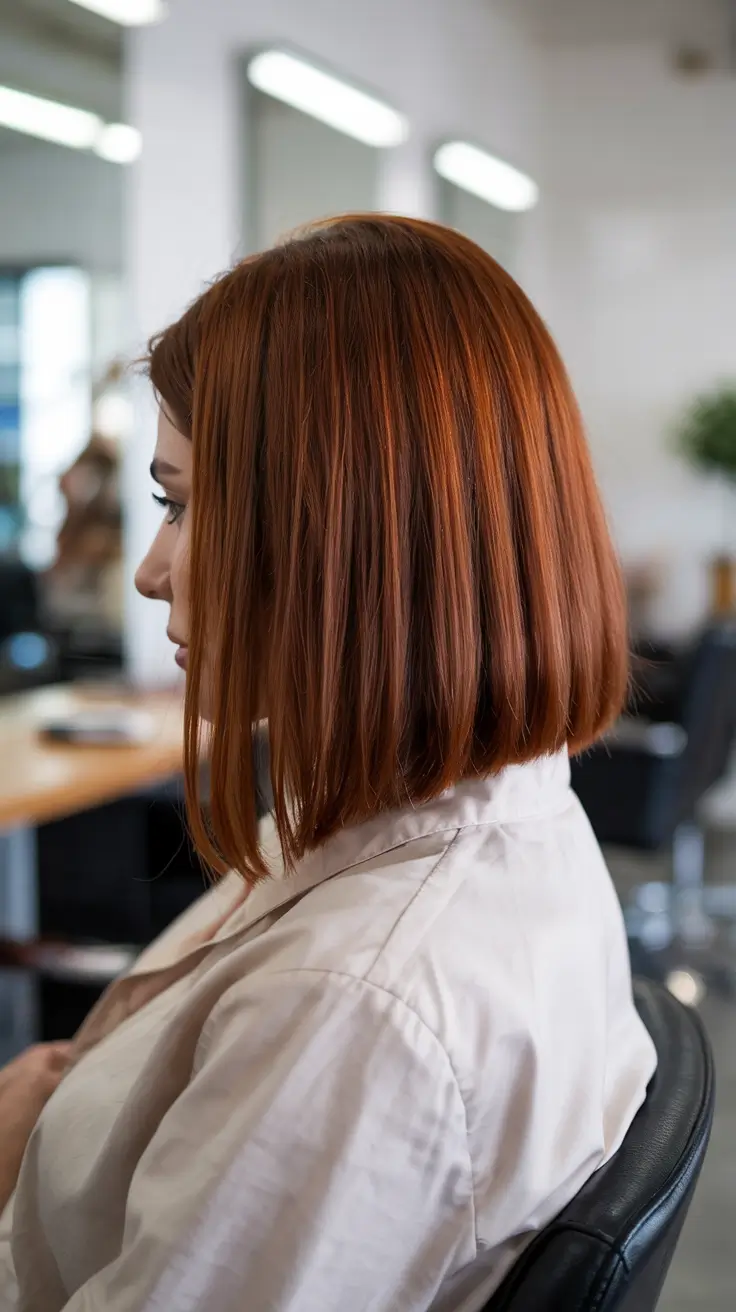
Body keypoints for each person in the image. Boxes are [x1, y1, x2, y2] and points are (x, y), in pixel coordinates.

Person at [0, 216, 656, 1311]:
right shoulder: (486, 818)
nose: (154, 571)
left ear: (347, 531)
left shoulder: (353, 1011)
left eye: (182, 504)